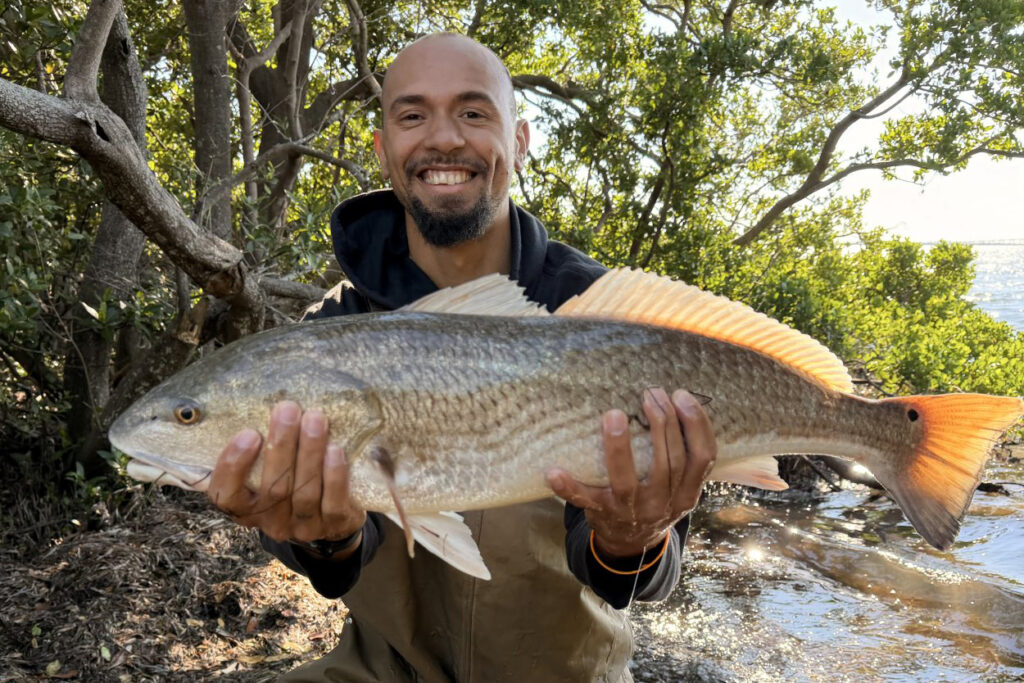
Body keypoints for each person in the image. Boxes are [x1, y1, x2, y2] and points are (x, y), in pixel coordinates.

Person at [206, 33, 717, 682]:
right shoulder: (332, 329)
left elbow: (647, 575)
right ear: (383, 148)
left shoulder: (606, 314)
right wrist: (321, 537)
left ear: (521, 142)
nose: (443, 138)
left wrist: (633, 538)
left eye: (474, 113)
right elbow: (335, 564)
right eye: (413, 115)